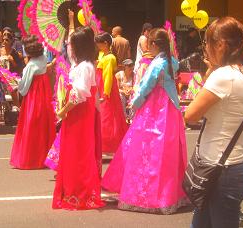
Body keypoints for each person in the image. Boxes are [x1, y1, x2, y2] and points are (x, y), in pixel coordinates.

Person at [102, 28, 188, 214]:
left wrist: (134, 103)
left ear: (155, 45)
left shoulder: (157, 65)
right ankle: (170, 194)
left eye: (149, 44)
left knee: (146, 149)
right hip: (171, 109)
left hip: (155, 110)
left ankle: (146, 194)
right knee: (167, 151)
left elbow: (145, 87)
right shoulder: (172, 61)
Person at [184, 17, 243, 228]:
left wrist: (210, 74)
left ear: (221, 44)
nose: (205, 48)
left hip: (219, 171)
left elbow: (191, 114)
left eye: (207, 43)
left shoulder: (223, 75)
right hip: (233, 167)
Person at [52, 26, 104, 210]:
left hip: (79, 113)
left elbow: (80, 94)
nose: (69, 47)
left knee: (79, 152)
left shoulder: (84, 67)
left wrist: (63, 110)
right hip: (79, 112)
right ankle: (75, 190)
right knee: (76, 151)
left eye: (72, 44)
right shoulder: (83, 65)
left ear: (79, 47)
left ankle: (80, 192)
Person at [10, 35, 56, 170]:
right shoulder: (42, 59)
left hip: (34, 96)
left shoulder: (30, 66)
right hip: (44, 93)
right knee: (43, 123)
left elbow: (24, 87)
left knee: (31, 124)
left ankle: (31, 158)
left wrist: (15, 82)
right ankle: (45, 157)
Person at [95, 32, 128, 153]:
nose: (97, 46)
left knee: (108, 115)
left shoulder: (110, 57)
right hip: (102, 86)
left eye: (99, 43)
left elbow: (108, 76)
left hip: (106, 88)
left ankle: (108, 144)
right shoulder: (104, 55)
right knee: (108, 115)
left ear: (105, 43)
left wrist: (105, 93)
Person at [0, 31, 24, 109]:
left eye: (7, 40)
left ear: (11, 41)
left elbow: (19, 67)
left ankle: (17, 110)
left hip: (11, 76)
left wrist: (12, 60)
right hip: (0, 76)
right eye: (3, 40)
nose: (5, 41)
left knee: (13, 92)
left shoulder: (14, 52)